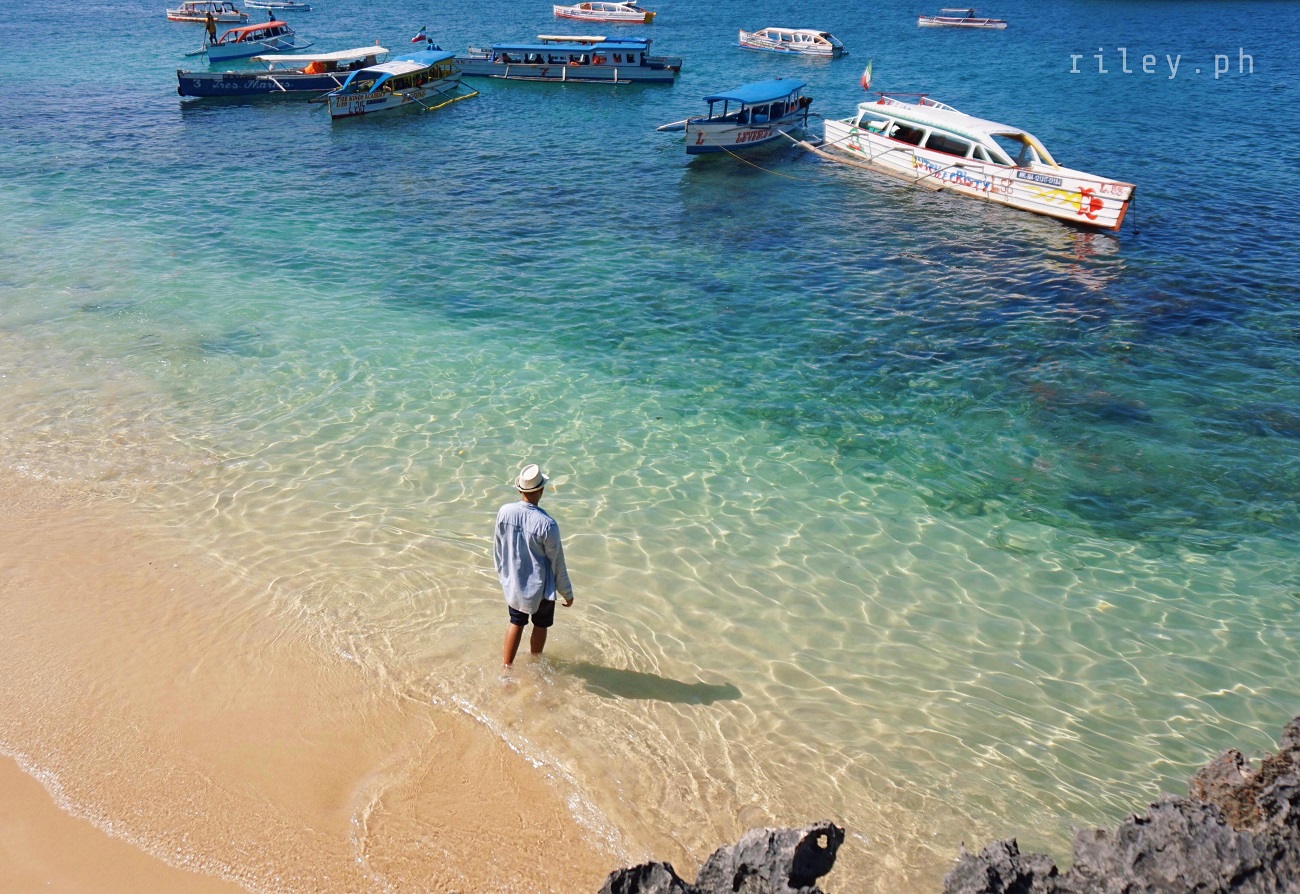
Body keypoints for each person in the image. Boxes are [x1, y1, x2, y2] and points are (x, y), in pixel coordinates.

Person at [494, 463, 573, 669]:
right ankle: (535, 664)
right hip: (542, 586)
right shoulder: (547, 524)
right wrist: (566, 592)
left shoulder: (504, 512)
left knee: (516, 622)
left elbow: (498, 547)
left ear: (520, 490)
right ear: (541, 490)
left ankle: (506, 669)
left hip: (515, 582)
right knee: (540, 625)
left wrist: (504, 574)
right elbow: (557, 562)